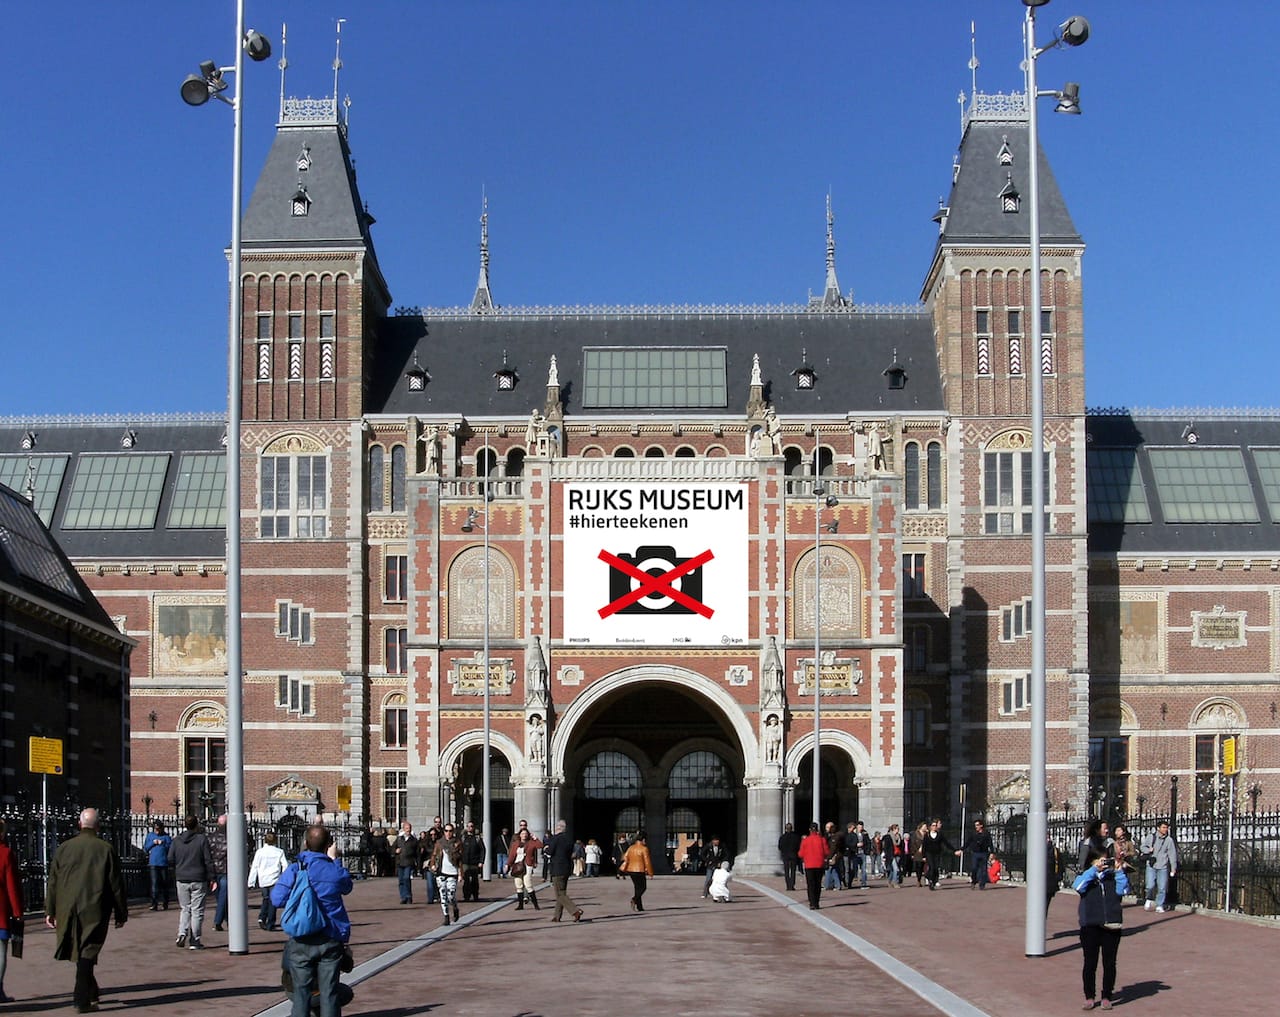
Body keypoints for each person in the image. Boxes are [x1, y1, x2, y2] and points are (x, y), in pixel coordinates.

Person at [44, 808, 128, 1015]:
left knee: (79, 949)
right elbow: (115, 884)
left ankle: (91, 991)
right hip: (95, 906)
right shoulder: (105, 849)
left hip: (67, 907)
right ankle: (81, 998)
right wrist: (121, 912)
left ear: (79, 824)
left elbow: (53, 881)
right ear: (98, 826)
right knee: (88, 950)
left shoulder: (64, 848)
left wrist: (50, 909)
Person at [270, 824, 353, 1017]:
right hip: (330, 936)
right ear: (328, 845)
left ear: (305, 843)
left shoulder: (295, 869)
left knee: (301, 993)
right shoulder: (334, 870)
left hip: (302, 936)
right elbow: (347, 886)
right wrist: (335, 861)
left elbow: (277, 899)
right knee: (330, 992)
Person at [1074, 846, 1129, 1011]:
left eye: (1105, 860)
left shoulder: (1112, 877)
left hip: (1111, 925)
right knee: (1090, 963)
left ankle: (1107, 996)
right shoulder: (1087, 877)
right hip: (1090, 925)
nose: (1102, 863)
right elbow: (1078, 887)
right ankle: (1089, 996)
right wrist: (1093, 871)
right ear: (1092, 861)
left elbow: (1124, 890)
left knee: (1109, 963)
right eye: (1099, 860)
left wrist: (1119, 871)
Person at [169, 814, 215, 950]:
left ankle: (182, 932)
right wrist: (211, 877)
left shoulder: (177, 840)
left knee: (185, 908)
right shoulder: (201, 840)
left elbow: (170, 858)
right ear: (196, 825)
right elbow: (208, 860)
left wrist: (179, 866)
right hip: (198, 878)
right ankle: (195, 939)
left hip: (182, 877)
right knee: (197, 910)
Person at [0, 819, 24, 1005]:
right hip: (1, 912)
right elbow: (12, 887)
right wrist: (17, 911)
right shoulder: (6, 854)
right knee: (1, 953)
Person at [543, 819, 583, 922]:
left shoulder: (555, 839)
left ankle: (575, 911)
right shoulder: (569, 839)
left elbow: (550, 851)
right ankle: (557, 916)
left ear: (558, 828)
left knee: (560, 894)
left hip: (557, 868)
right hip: (566, 868)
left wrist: (545, 848)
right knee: (562, 892)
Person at [248, 832, 288, 930]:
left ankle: (262, 917)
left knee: (266, 898)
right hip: (275, 878)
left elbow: (254, 867)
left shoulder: (260, 852)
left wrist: (251, 881)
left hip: (263, 879)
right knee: (273, 901)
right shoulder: (279, 852)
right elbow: (285, 865)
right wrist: (284, 877)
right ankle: (270, 922)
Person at [1139, 820, 1178, 913]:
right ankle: (1149, 898)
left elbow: (1172, 855)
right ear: (1158, 828)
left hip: (1163, 866)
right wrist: (1148, 850)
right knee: (1150, 885)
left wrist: (1173, 868)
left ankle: (1159, 905)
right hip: (1151, 865)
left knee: (1162, 887)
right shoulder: (1151, 837)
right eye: (1163, 827)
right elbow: (1142, 847)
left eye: (1166, 828)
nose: (1165, 829)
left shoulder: (1169, 840)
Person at [428, 823, 463, 925]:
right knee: (443, 895)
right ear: (444, 832)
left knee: (451, 895)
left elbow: (460, 860)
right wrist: (433, 864)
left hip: (453, 872)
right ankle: (446, 916)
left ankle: (455, 908)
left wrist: (461, 873)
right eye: (446, 831)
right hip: (441, 872)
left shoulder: (457, 843)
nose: (448, 833)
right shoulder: (439, 843)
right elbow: (434, 855)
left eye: (450, 831)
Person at [619, 830, 654, 912]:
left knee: (637, 888)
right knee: (643, 888)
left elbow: (625, 857)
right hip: (640, 870)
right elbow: (647, 861)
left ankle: (639, 906)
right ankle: (634, 899)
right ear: (644, 840)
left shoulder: (631, 847)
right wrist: (650, 872)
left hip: (631, 870)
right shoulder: (644, 849)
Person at [509, 828, 542, 910]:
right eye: (522, 833)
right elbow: (512, 854)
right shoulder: (515, 844)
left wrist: (535, 838)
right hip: (517, 865)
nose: (524, 835)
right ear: (519, 835)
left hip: (527, 865)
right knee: (518, 885)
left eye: (525, 833)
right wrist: (508, 864)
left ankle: (536, 905)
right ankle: (520, 905)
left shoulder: (531, 843)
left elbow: (540, 846)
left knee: (528, 884)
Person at [798, 822, 829, 910]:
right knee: (818, 884)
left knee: (810, 885)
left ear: (809, 830)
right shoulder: (822, 840)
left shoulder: (805, 840)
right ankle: (816, 902)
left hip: (809, 865)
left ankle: (812, 903)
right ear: (817, 830)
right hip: (819, 864)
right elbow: (826, 852)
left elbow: (800, 854)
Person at [142, 820, 172, 911]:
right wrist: (153, 843)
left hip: (163, 863)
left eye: (159, 829)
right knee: (154, 884)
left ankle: (165, 903)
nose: (157, 831)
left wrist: (163, 843)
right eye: (156, 829)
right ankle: (154, 903)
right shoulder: (150, 836)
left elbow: (170, 848)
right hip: (153, 863)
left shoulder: (166, 837)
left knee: (164, 884)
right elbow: (145, 848)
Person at [920, 819, 956, 890]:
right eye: (933, 825)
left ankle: (933, 881)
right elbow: (924, 846)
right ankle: (930, 880)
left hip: (937, 853)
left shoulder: (940, 835)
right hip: (929, 853)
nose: (934, 827)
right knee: (932, 867)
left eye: (935, 825)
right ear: (930, 827)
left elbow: (946, 843)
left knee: (936, 868)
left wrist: (954, 850)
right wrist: (923, 856)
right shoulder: (927, 835)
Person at [208, 813, 229, 932]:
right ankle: (217, 921)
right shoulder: (232, 836)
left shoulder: (211, 837)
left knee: (220, 896)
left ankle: (226, 920)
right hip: (225, 870)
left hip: (214, 870)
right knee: (223, 896)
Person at [962, 818, 996, 890]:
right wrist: (961, 849)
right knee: (974, 868)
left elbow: (990, 843)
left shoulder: (986, 834)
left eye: (977, 825)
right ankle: (974, 881)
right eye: (975, 825)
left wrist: (992, 852)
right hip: (975, 853)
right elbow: (967, 842)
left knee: (983, 870)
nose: (976, 827)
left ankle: (982, 884)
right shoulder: (973, 834)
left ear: (981, 825)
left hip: (984, 853)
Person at [391, 821, 420, 905]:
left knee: (407, 878)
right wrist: (395, 851)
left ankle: (409, 896)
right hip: (400, 862)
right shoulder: (399, 839)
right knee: (401, 880)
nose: (408, 830)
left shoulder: (414, 840)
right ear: (403, 829)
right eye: (407, 828)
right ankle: (403, 897)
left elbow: (417, 853)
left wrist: (417, 864)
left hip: (409, 862)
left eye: (409, 828)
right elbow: (392, 848)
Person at [460, 821, 485, 903]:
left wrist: (481, 861)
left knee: (474, 880)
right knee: (466, 880)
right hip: (465, 862)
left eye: (471, 826)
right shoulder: (463, 838)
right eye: (468, 826)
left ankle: (475, 895)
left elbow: (482, 850)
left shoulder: (477, 838)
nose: (470, 828)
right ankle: (466, 896)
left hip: (475, 862)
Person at [421, 816, 445, 904]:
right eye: (436, 822)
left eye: (439, 822)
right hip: (429, 863)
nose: (437, 823)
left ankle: (438, 896)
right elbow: (422, 850)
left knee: (438, 881)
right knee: (430, 881)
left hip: (439, 862)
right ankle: (430, 898)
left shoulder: (442, 834)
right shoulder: (427, 841)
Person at [845, 821, 872, 889]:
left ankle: (863, 883)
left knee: (863, 868)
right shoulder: (853, 834)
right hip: (855, 853)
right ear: (856, 827)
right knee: (853, 869)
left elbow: (868, 842)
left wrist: (867, 851)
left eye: (861, 827)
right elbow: (849, 843)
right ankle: (849, 883)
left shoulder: (864, 833)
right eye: (859, 827)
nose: (860, 828)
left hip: (862, 853)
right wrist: (856, 845)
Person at [777, 822, 801, 891]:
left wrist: (783, 851)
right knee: (793, 871)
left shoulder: (782, 837)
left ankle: (788, 885)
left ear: (785, 829)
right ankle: (792, 884)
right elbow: (798, 846)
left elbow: (780, 846)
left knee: (786, 871)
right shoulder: (796, 837)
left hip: (785, 855)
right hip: (793, 855)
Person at [822, 822, 844, 891]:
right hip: (835, 855)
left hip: (834, 855)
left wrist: (828, 857)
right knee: (834, 870)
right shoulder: (831, 836)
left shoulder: (835, 837)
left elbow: (833, 848)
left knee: (829, 870)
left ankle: (827, 885)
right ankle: (837, 885)